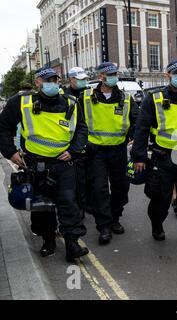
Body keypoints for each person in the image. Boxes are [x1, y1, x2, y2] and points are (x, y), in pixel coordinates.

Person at [0, 67, 89, 262]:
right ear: (37, 82)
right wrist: (11, 152)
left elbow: (82, 129)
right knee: (42, 207)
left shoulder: (71, 103)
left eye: (55, 80)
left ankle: (72, 244)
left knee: (68, 202)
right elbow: (4, 127)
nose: (53, 83)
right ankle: (48, 240)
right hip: (35, 163)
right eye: (47, 80)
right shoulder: (22, 102)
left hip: (63, 163)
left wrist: (73, 151)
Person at [131, 60, 177, 254]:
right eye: (176, 73)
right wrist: (138, 156)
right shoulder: (153, 99)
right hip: (162, 157)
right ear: (168, 76)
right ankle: (157, 223)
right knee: (160, 199)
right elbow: (141, 129)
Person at [78, 62, 139, 245]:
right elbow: (76, 124)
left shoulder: (126, 98)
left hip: (118, 150)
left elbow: (137, 121)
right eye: (110, 74)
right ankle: (104, 226)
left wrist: (133, 136)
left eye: (115, 73)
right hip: (95, 152)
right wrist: (84, 144)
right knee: (99, 189)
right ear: (101, 77)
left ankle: (115, 217)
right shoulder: (85, 97)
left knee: (121, 187)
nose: (114, 76)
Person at [64, 67, 92, 217]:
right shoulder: (64, 96)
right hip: (73, 144)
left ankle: (86, 204)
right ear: (71, 79)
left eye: (84, 79)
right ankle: (78, 209)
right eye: (80, 79)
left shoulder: (89, 94)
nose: (84, 82)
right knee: (76, 180)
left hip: (89, 142)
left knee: (88, 178)